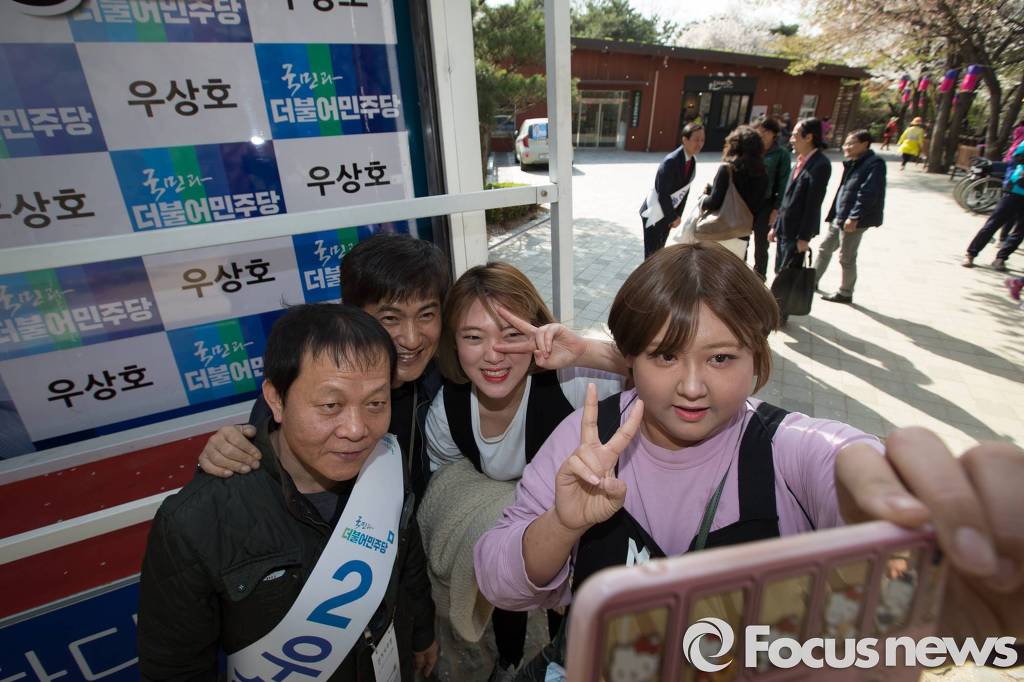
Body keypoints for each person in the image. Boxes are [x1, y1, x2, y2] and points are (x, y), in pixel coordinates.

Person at [474, 243, 1024, 671]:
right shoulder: (588, 442)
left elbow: (855, 469)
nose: (693, 387)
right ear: (630, 360)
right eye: (665, 357)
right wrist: (563, 524)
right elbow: (499, 581)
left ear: (758, 357)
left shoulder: (790, 452)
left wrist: (924, 534)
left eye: (721, 358)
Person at [138, 304, 437, 681]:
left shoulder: (386, 464)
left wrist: (422, 632)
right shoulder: (195, 522)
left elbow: (408, 562)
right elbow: (174, 669)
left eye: (376, 403)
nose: (357, 429)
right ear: (276, 399)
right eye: (331, 405)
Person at [424, 262, 626, 681]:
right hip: (506, 540)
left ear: (537, 334)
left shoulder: (570, 382)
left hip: (579, 531)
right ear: (454, 343)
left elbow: (658, 372)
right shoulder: (448, 410)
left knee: (569, 622)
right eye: (473, 337)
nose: (493, 353)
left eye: (511, 334)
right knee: (507, 595)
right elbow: (448, 483)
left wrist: (586, 351)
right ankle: (509, 658)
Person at [198, 234, 449, 507]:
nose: (411, 339)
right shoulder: (300, 394)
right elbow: (257, 469)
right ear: (352, 316)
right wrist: (226, 451)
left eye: (426, 315)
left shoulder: (447, 382)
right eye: (390, 318)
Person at [815, 130, 888, 304]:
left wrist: (854, 217)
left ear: (865, 144)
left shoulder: (874, 164)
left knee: (846, 257)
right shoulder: (853, 162)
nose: (846, 147)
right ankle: (811, 281)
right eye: (845, 143)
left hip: (853, 220)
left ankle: (845, 292)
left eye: (851, 143)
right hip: (840, 216)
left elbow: (869, 192)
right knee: (825, 249)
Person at [769, 117, 832, 309]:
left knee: (787, 274)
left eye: (795, 135)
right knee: (780, 271)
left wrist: (804, 237)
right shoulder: (800, 161)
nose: (791, 139)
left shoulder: (820, 165)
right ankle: (777, 309)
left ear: (809, 137)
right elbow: (787, 198)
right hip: (784, 227)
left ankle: (780, 312)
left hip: (797, 232)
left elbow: (813, 204)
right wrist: (776, 226)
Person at [696, 125, 768, 260]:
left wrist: (702, 198)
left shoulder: (728, 169)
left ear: (734, 145)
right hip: (742, 234)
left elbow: (713, 202)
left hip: (719, 232)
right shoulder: (763, 173)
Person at [639, 123, 705, 258]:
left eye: (702, 140)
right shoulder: (671, 161)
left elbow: (685, 191)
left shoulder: (692, 161)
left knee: (659, 252)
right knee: (652, 256)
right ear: (685, 140)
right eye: (696, 139)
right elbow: (662, 193)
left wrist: (678, 215)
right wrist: (672, 217)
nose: (700, 144)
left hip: (667, 213)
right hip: (654, 212)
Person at [962, 140, 1024, 271]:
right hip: (1015, 191)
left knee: (1020, 231)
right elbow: (1015, 161)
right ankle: (971, 254)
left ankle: (1001, 258)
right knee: (993, 224)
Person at [752, 117, 791, 281]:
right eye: (759, 131)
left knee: (761, 245)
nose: (762, 134)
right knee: (741, 240)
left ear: (773, 133)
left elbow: (783, 183)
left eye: (765, 131)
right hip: (748, 203)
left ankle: (759, 277)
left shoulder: (781, 154)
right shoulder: (752, 149)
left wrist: (776, 209)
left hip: (766, 204)